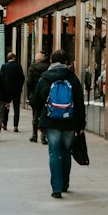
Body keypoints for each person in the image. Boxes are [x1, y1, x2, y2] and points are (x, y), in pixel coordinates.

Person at [34, 47, 86, 198]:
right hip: (70, 121)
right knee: (66, 152)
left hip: (51, 121)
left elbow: (37, 101)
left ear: (51, 61)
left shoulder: (45, 78)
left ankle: (56, 188)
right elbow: (80, 103)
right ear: (67, 62)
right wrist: (81, 125)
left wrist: (40, 120)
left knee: (54, 152)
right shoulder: (73, 78)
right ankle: (65, 184)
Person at [25, 52, 49, 142]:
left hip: (35, 95)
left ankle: (34, 135)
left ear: (36, 60)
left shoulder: (32, 68)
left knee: (35, 115)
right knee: (45, 115)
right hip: (46, 94)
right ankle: (44, 136)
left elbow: (29, 82)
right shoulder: (48, 67)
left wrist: (29, 94)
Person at [0, 52, 26, 133]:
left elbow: (1, 78)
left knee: (6, 107)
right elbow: (22, 78)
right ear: (14, 58)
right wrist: (19, 87)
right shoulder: (18, 66)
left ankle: (5, 124)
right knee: (16, 108)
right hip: (16, 91)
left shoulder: (4, 66)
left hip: (7, 91)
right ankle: (15, 126)